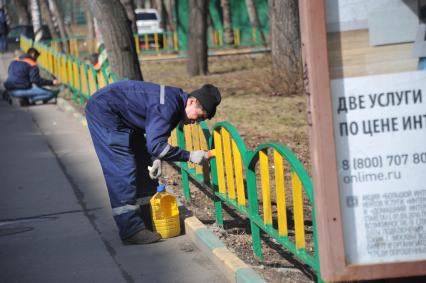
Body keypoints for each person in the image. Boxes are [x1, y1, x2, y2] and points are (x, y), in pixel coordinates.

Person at [85, 81, 221, 245]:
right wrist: (190, 156)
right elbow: (157, 146)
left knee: (143, 164)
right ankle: (131, 230)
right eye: (200, 116)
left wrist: (155, 158)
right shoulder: (168, 106)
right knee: (123, 169)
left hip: (123, 117)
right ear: (192, 101)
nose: (196, 122)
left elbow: (156, 139)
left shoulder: (175, 104)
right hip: (106, 112)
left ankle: (147, 218)